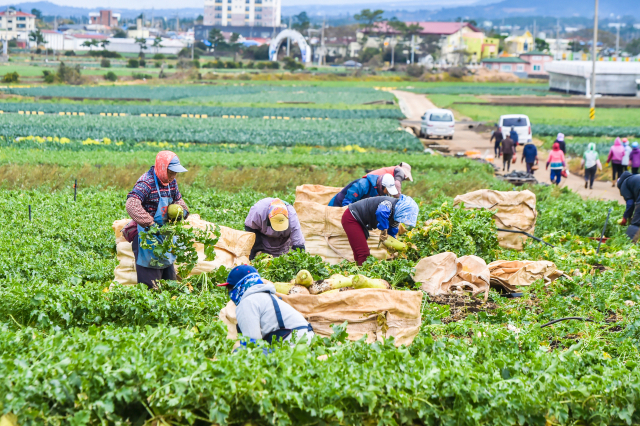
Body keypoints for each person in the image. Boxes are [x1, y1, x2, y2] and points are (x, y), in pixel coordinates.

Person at [126, 150, 190, 289]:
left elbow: (178, 200)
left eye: (175, 173)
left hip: (164, 236)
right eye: (170, 172)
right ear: (162, 167)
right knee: (152, 286)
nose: (173, 176)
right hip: (147, 237)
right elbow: (132, 204)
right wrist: (150, 224)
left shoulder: (171, 183)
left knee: (169, 282)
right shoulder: (146, 182)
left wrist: (181, 212)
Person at [218, 265, 314, 344]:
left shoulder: (247, 302)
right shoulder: (267, 296)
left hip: (293, 343)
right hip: (307, 338)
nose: (230, 293)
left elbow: (252, 343)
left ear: (240, 286)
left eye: (230, 288)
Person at [342, 195, 419, 265]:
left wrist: (391, 246)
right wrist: (384, 229)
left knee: (359, 252)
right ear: (402, 210)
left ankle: (357, 271)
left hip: (358, 221)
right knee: (363, 252)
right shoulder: (389, 204)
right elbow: (381, 212)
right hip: (352, 217)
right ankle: (362, 275)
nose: (402, 219)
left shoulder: (396, 218)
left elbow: (392, 233)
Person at [329, 173, 398, 207]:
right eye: (387, 190)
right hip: (338, 205)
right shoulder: (363, 185)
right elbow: (347, 202)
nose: (388, 193)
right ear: (381, 186)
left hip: (355, 208)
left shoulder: (381, 192)